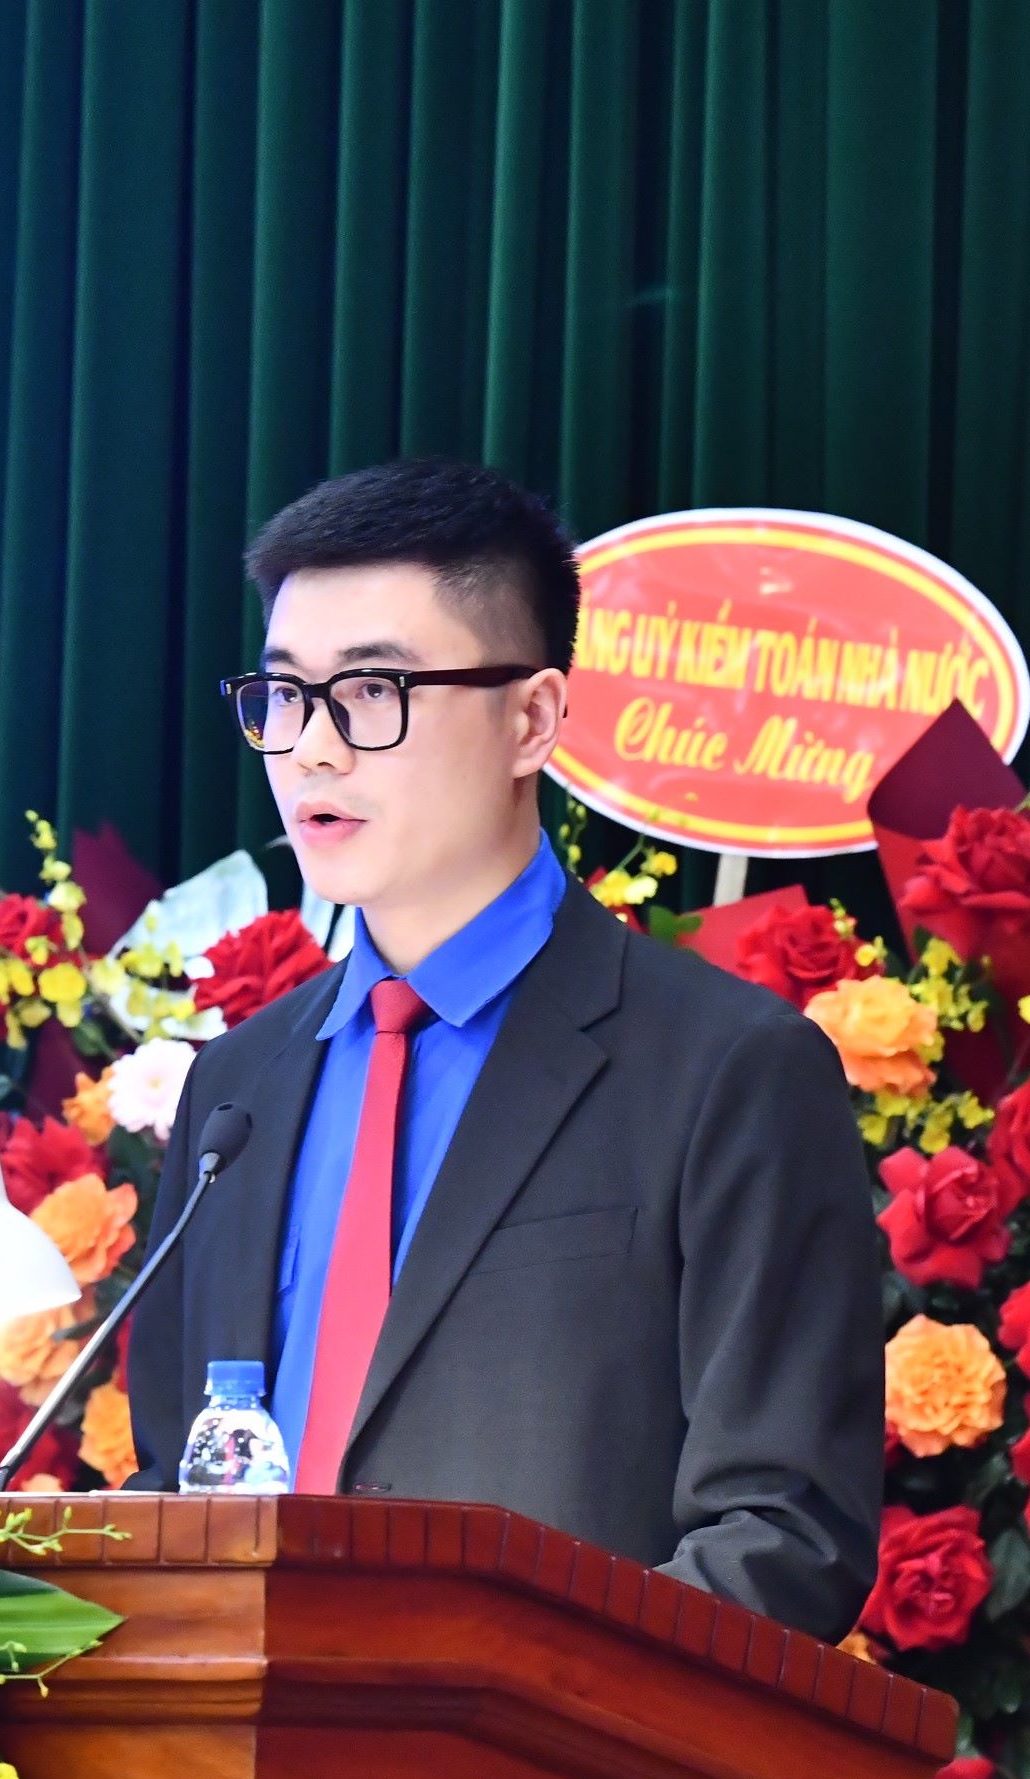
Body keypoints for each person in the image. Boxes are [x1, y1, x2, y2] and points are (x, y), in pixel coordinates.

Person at [125, 456, 882, 1640]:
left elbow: (782, 1537)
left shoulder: (724, 1071)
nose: (311, 749)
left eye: (369, 690)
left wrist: (503, 1708)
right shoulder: (238, 1091)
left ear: (530, 719)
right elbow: (174, 1485)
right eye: (283, 694)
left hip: (551, 1754)